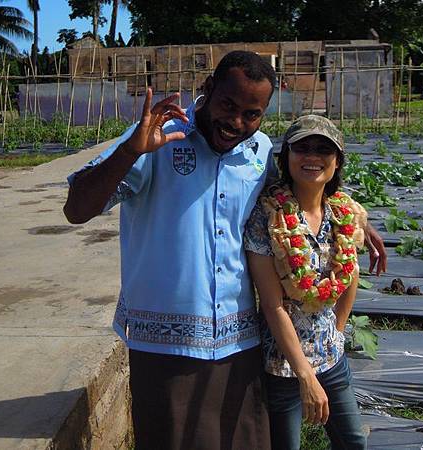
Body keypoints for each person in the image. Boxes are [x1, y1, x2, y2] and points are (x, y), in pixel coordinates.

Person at [64, 50, 385, 450]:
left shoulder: (260, 152)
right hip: (167, 340)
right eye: (228, 106)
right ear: (208, 89)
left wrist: (358, 219)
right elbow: (76, 209)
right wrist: (130, 150)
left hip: (239, 340)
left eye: (251, 114)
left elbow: (302, 190)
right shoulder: (158, 139)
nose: (236, 123)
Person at [245, 115, 369, 450]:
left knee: (354, 442)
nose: (312, 157)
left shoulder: (344, 214)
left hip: (332, 355)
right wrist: (305, 374)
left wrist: (337, 333)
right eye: (302, 148)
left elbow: (350, 274)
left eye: (323, 149)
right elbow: (272, 305)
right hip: (283, 365)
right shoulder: (267, 216)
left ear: (337, 161)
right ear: (286, 158)